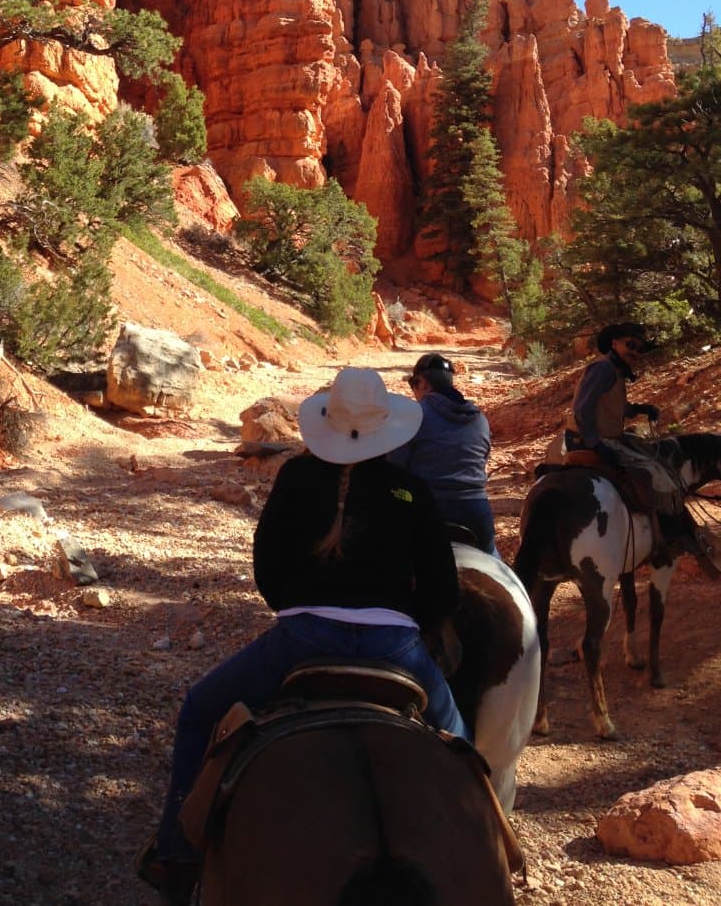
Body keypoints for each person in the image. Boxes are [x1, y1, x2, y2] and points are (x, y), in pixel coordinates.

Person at [141, 366, 470, 905]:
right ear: (386, 427)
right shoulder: (410, 490)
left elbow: (267, 567)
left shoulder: (295, 477)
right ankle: (495, 842)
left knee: (201, 710)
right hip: (397, 648)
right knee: (461, 746)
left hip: (303, 640)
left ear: (329, 423)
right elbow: (443, 587)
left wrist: (301, 609)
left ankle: (175, 857)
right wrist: (411, 619)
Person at [564, 320, 705, 567]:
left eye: (639, 348)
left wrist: (638, 409)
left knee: (651, 453)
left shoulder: (615, 371)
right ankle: (670, 537)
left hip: (607, 435)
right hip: (590, 438)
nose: (635, 352)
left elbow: (611, 406)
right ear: (614, 343)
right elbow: (582, 409)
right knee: (654, 470)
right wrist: (595, 444)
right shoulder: (603, 369)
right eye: (631, 345)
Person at [387, 353, 498, 556]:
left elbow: (395, 470)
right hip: (476, 511)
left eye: (413, 384)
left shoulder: (413, 416)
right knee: (499, 569)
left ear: (422, 383)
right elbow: (482, 461)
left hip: (427, 511)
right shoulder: (480, 419)